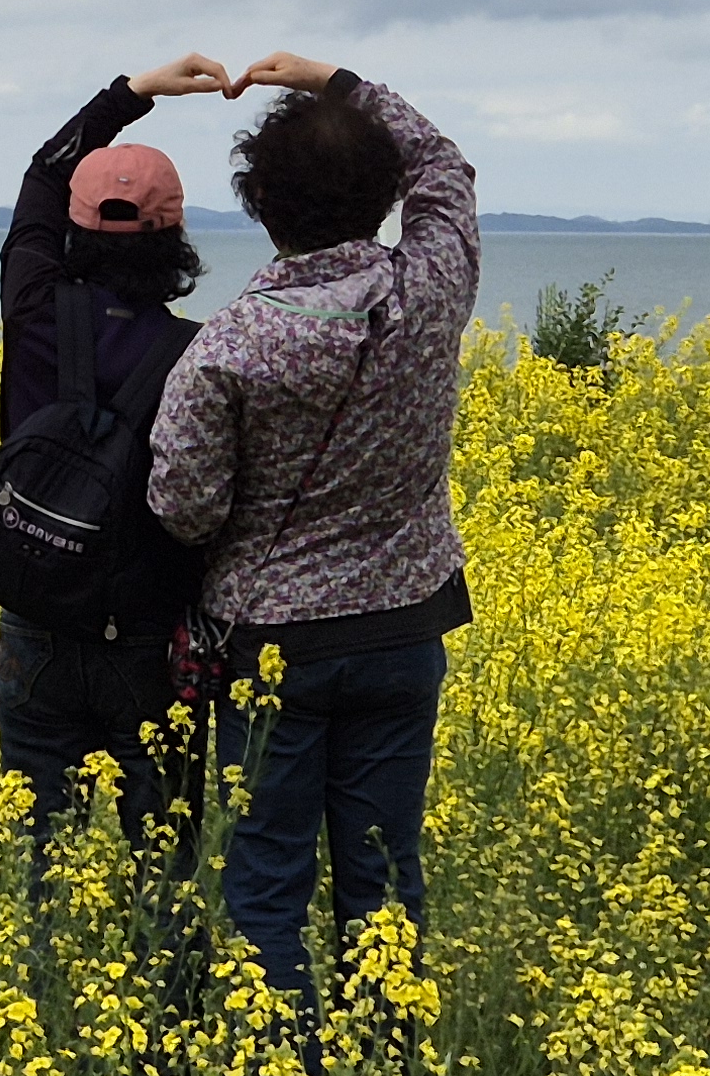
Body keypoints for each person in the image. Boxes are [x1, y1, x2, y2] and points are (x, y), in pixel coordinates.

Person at [145, 52, 478, 1015]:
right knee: (383, 873)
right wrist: (339, 81)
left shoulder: (232, 344)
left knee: (270, 879)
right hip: (404, 631)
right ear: (380, 199)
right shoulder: (429, 296)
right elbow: (446, 169)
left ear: (261, 207)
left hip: (274, 646)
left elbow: (184, 507)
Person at [0, 48, 234, 880]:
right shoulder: (197, 357)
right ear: (175, 239)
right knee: (163, 876)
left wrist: (128, 96)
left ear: (75, 227)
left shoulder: (29, 307)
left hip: (35, 624)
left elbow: (39, 177)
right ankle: (171, 1009)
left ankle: (41, 1005)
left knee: (40, 870)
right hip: (144, 645)